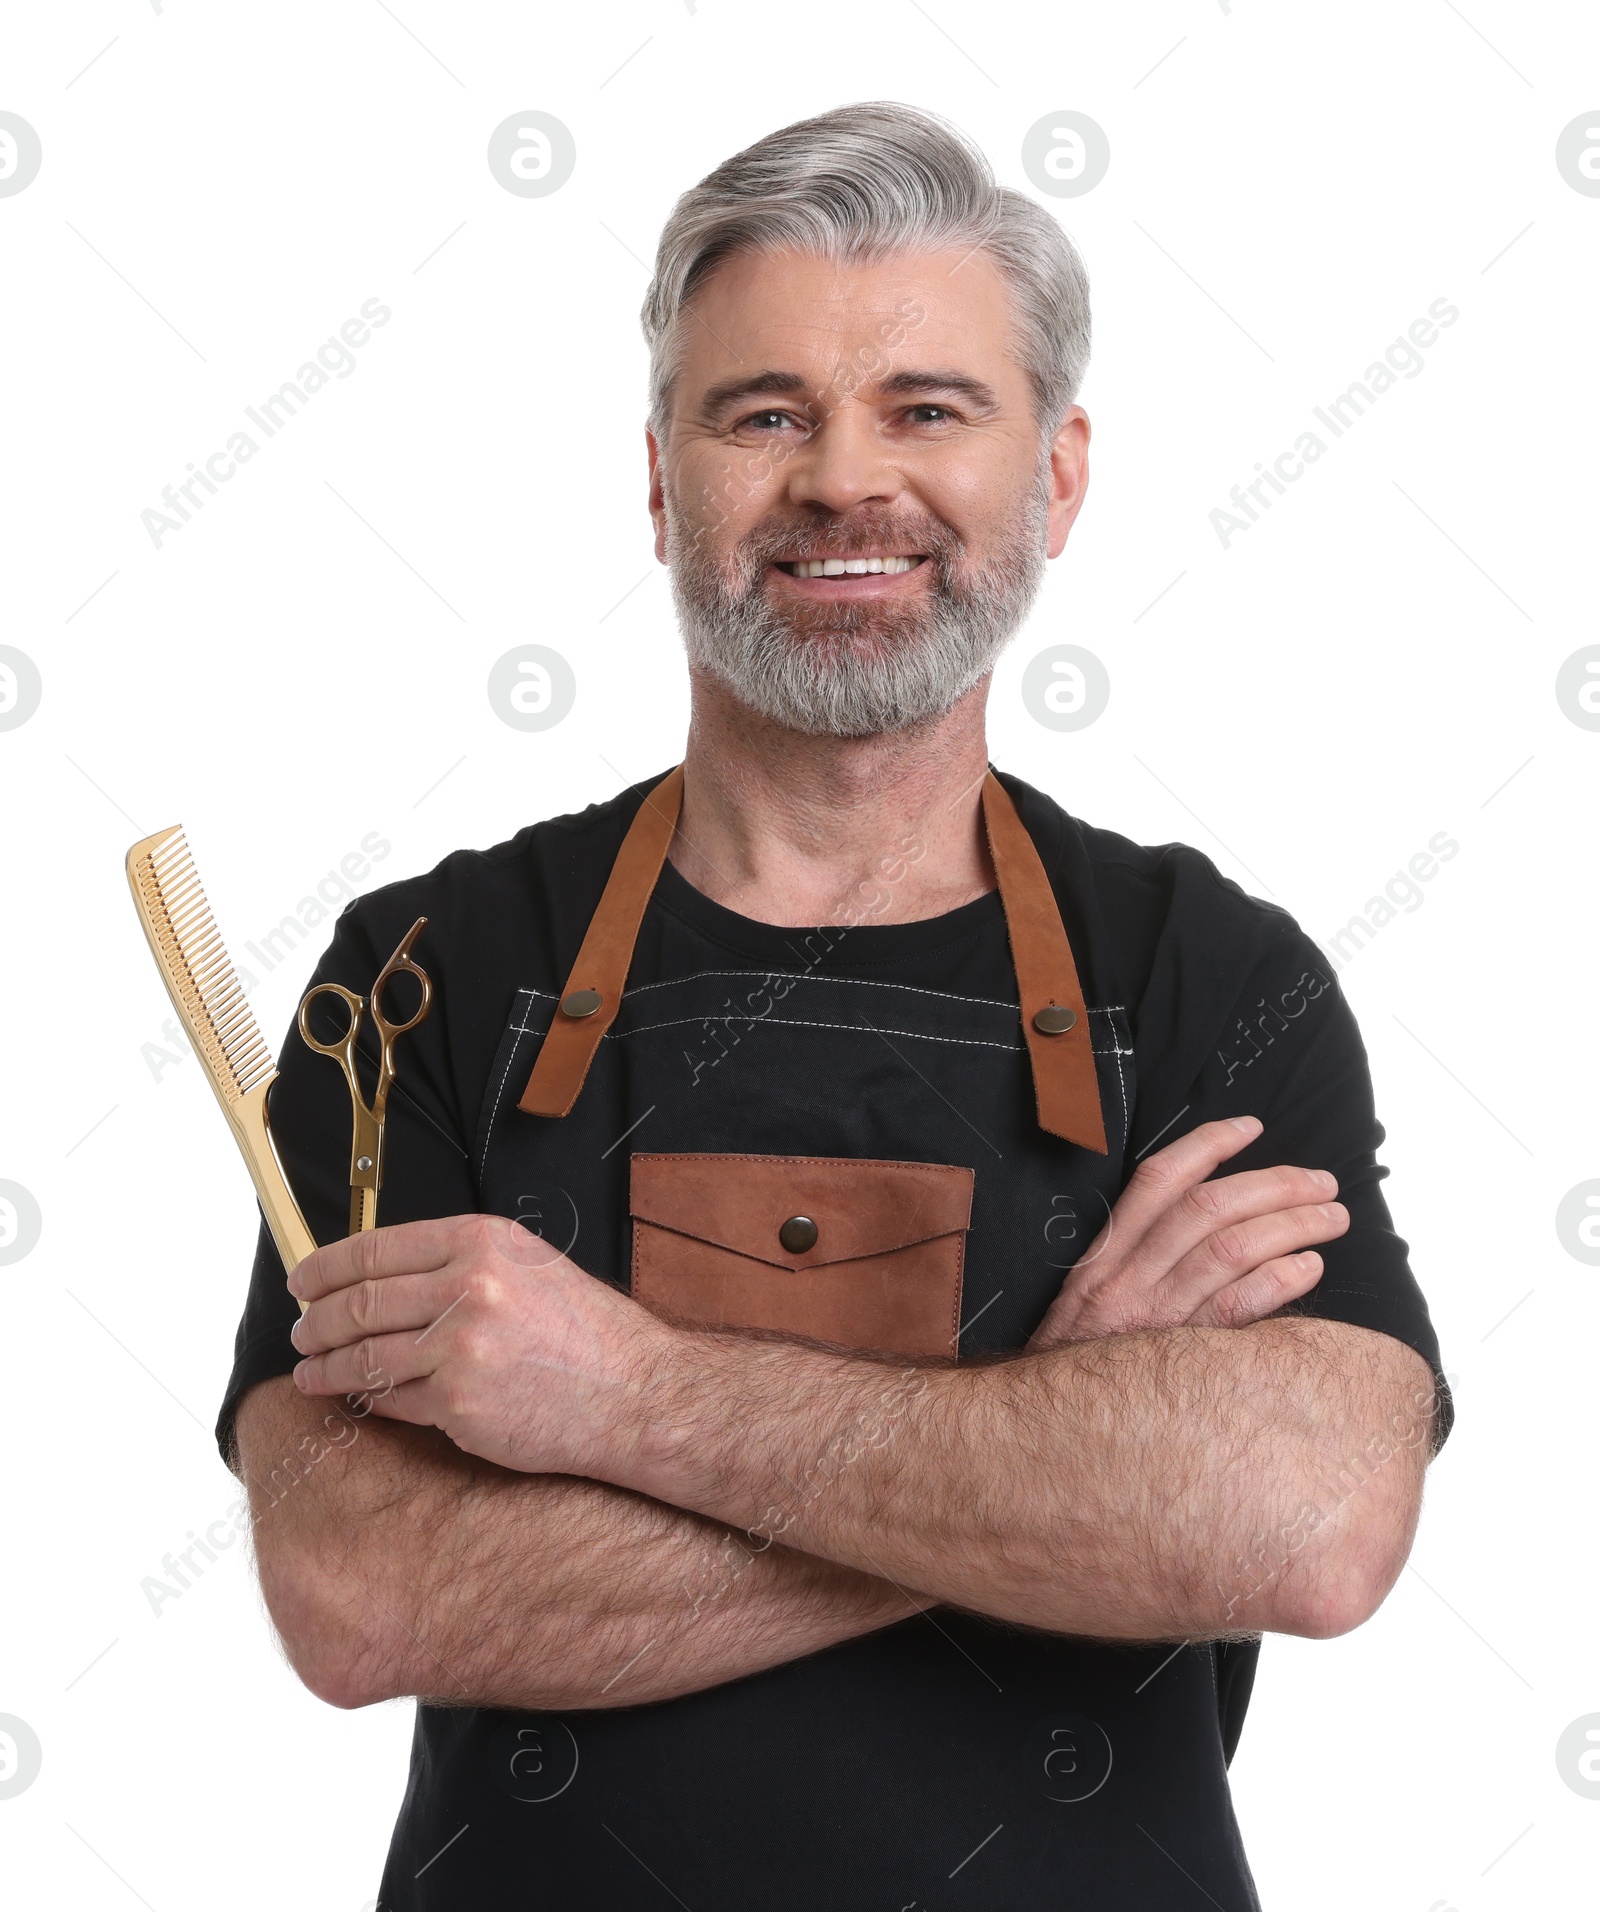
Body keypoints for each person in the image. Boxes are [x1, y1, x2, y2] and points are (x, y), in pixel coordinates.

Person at [222, 101, 1450, 1910]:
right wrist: (1057, 1429)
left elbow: (1319, 1526)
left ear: (1062, 475)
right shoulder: (430, 971)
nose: (845, 482)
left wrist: (623, 1396)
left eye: (929, 411)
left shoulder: (1211, 979)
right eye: (765, 413)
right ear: (661, 479)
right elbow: (360, 1590)